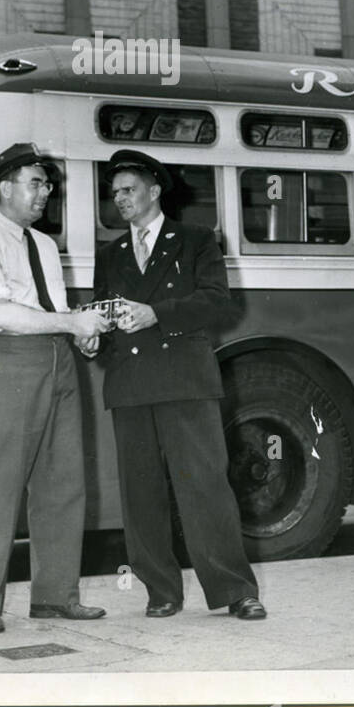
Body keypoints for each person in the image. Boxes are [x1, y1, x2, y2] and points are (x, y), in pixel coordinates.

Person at [94, 148, 267, 621]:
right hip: (130, 385)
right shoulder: (110, 254)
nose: (120, 201)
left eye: (128, 191)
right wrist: (93, 341)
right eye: (115, 195)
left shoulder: (195, 240)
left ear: (154, 191)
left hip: (186, 381)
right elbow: (102, 311)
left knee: (206, 488)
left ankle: (235, 590)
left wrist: (157, 314)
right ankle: (161, 592)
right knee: (141, 494)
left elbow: (217, 303)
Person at [0, 142, 111, 634]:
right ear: (4, 188)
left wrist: (80, 337)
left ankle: (55, 596)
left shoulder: (45, 246)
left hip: (57, 363)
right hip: (9, 363)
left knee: (63, 483)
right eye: (35, 183)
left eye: (47, 184)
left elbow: (51, 315)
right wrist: (70, 321)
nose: (45, 192)